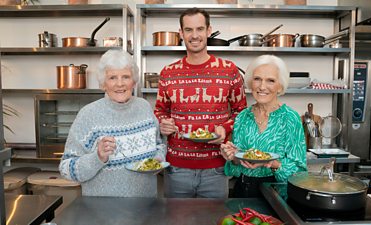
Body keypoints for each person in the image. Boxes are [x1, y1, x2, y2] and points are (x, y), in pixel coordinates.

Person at [154, 8, 247, 198]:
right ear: (181, 33)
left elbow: (242, 112)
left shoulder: (228, 70)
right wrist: (163, 123)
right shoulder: (168, 73)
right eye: (188, 30)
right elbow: (160, 111)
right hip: (176, 168)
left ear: (209, 30)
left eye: (199, 29)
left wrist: (225, 128)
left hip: (216, 168)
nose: (194, 35)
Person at [59, 50, 166, 197]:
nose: (120, 84)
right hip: (102, 212)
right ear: (103, 84)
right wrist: (98, 157)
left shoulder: (144, 107)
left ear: (134, 82)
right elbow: (66, 169)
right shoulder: (88, 115)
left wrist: (158, 159)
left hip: (146, 205)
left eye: (126, 77)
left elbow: (159, 144)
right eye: (112, 78)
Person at [220, 55, 307, 198]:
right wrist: (232, 157)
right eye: (257, 79)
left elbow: (300, 173)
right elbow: (236, 168)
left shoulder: (290, 118)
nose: (262, 86)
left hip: (277, 194)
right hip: (243, 191)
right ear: (250, 82)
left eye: (270, 81)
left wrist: (273, 164)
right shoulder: (242, 117)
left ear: (280, 86)